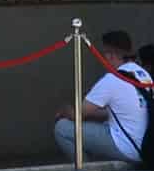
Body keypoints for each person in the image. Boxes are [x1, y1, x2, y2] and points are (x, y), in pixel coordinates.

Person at [53, 29, 148, 163]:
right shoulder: (143, 74)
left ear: (110, 55)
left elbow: (77, 114)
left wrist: (64, 110)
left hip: (128, 147)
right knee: (101, 124)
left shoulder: (112, 79)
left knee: (62, 128)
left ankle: (85, 167)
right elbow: (125, 112)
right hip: (147, 146)